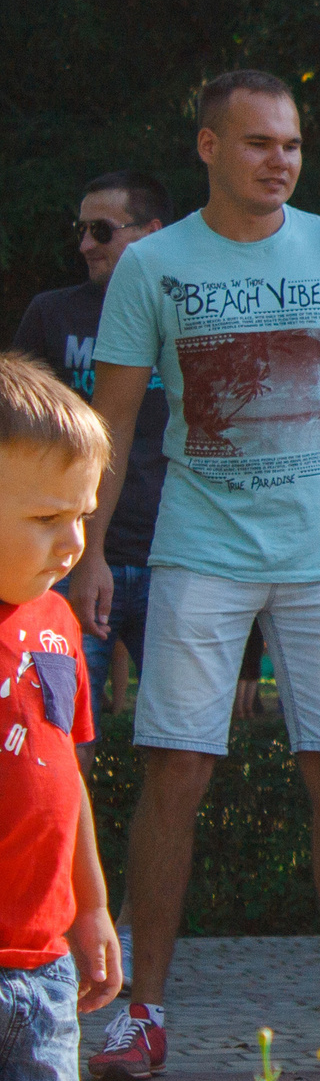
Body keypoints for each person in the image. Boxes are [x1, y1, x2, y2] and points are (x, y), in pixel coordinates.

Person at [73, 71, 320, 1081]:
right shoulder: (154, 265)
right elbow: (117, 422)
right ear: (209, 148)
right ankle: (143, 1010)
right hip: (199, 549)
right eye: (260, 142)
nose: (280, 160)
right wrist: (92, 551)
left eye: (293, 145)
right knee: (176, 769)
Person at [0, 355, 122, 1081]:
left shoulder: (56, 625)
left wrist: (94, 906)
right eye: (46, 518)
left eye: (82, 514)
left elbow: (67, 774)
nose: (72, 541)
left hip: (42, 970)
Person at [14, 172, 173, 720]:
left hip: (176, 556)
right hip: (72, 555)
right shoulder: (51, 313)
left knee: (187, 740)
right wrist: (87, 553)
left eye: (101, 231)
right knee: (54, 730)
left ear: (151, 233)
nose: (85, 245)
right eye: (81, 230)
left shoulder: (189, 313)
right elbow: (20, 446)